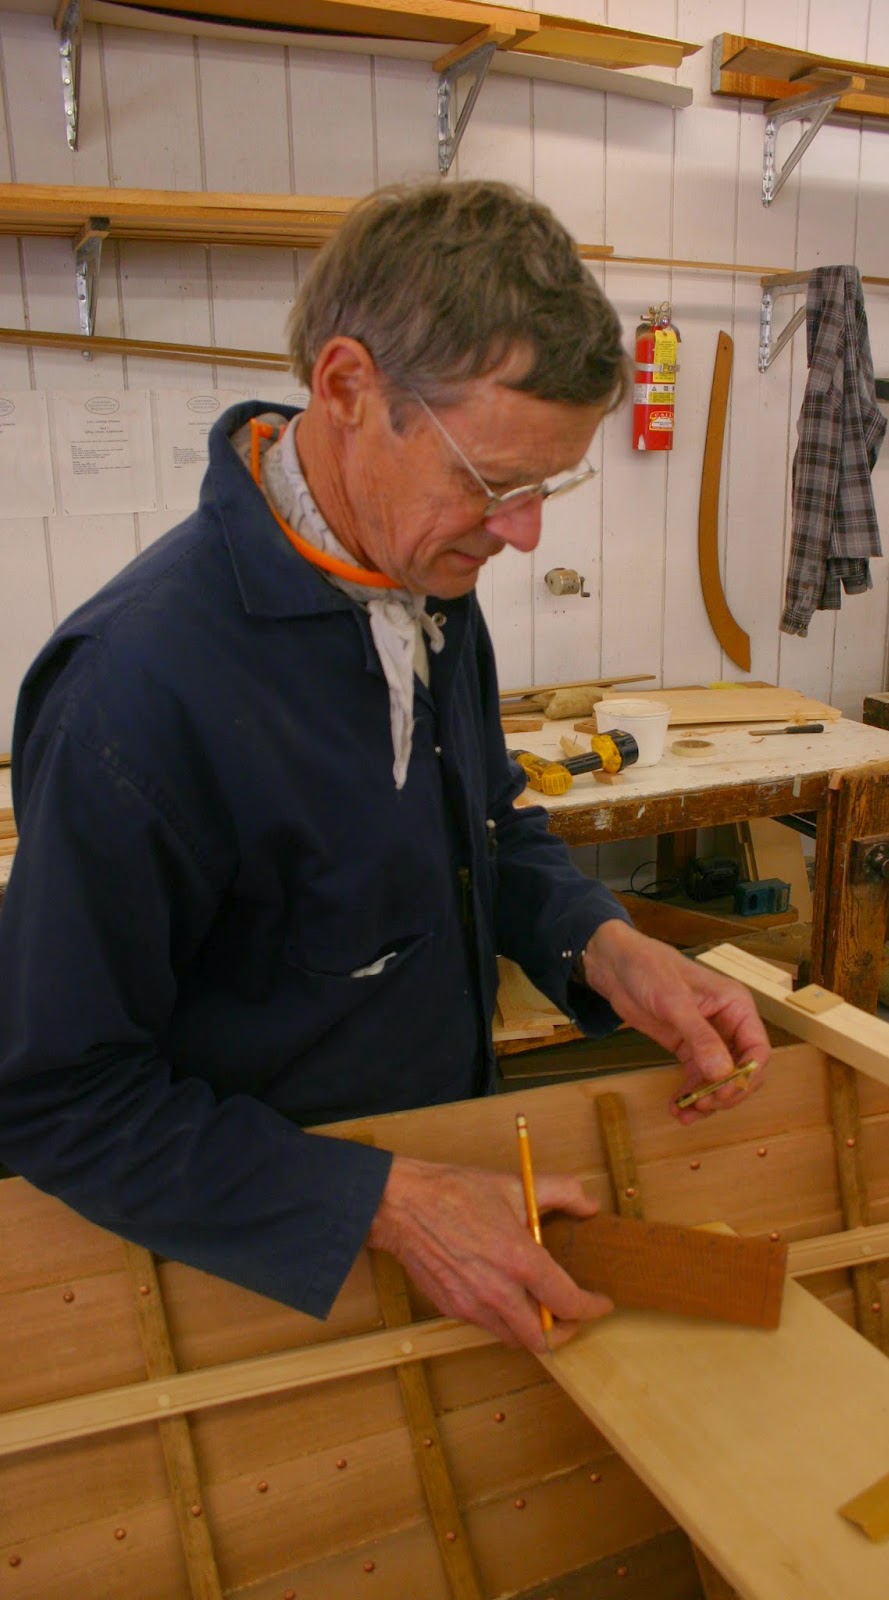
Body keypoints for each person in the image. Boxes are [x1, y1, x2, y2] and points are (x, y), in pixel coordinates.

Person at [0, 179, 769, 1354]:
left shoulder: (421, 578)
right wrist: (386, 1207)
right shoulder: (132, 692)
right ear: (349, 389)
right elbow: (57, 1096)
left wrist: (601, 948)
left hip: (451, 1207)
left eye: (545, 487)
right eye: (493, 481)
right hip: (249, 1277)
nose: (523, 533)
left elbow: (485, 827)